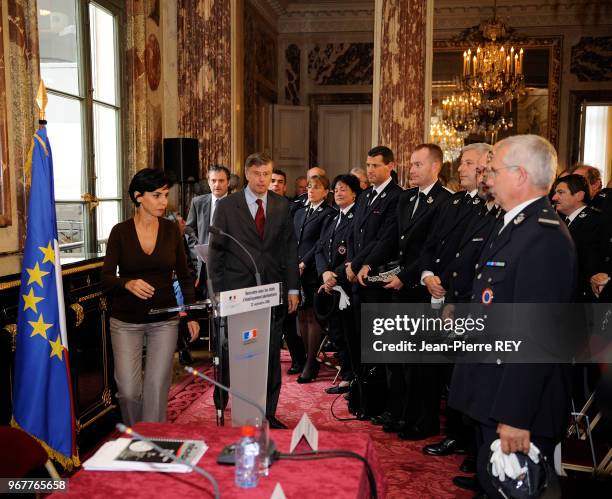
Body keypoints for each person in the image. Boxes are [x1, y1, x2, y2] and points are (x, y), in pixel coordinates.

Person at [449, 135, 576, 498]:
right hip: (491, 391)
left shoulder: (543, 237)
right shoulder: (514, 225)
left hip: (517, 405)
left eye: (494, 169)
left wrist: (515, 415)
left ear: (520, 175)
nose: (488, 176)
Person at [208, 152, 299, 429]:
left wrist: (293, 288)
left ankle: (267, 413)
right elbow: (216, 253)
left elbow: (289, 250)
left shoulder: (282, 206)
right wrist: (217, 294)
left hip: (271, 293)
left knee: (270, 355)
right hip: (237, 294)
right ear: (247, 174)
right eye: (258, 174)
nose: (262, 180)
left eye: (267, 175)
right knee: (234, 352)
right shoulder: (227, 206)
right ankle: (225, 405)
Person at [102, 168, 200, 426]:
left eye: (166, 195)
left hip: (164, 320)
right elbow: (106, 279)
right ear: (138, 197)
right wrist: (128, 283)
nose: (163, 202)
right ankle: (135, 437)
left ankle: (152, 441)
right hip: (125, 322)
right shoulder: (119, 232)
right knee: (129, 391)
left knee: (156, 388)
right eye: (156, 195)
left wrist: (188, 313)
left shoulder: (170, 230)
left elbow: (184, 274)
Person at [315, 174, 362, 393]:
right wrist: (324, 273)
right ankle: (346, 373)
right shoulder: (333, 219)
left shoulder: (357, 218)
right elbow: (320, 249)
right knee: (335, 332)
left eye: (344, 189)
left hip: (346, 284)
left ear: (354, 193)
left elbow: (355, 254)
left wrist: (335, 274)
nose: (339, 193)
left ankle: (353, 377)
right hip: (331, 285)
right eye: (337, 189)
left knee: (348, 333)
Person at [293, 175, 335, 383]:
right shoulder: (300, 211)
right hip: (295, 268)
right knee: (301, 315)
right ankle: (303, 359)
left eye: (316, 187)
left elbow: (320, 243)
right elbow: (293, 239)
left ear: (326, 192)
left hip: (312, 270)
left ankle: (311, 362)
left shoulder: (328, 213)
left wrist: (304, 263)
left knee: (312, 316)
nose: (311, 190)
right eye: (309, 187)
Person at [552, 174, 602, 301]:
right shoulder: (562, 222)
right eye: (555, 193)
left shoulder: (595, 221)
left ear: (579, 195)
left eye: (561, 192)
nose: (554, 197)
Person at [185, 164, 231, 290]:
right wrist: (199, 254)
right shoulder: (197, 202)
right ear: (208, 182)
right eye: (213, 181)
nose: (217, 185)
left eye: (221, 181)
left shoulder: (237, 204)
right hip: (204, 266)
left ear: (228, 182)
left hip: (229, 265)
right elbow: (189, 231)